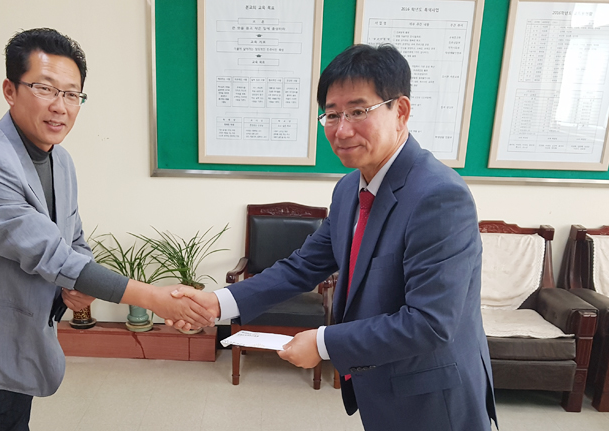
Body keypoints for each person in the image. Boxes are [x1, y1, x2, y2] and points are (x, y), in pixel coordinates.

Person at [170, 44, 497, 431]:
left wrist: (323, 343)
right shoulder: (348, 190)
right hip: (382, 390)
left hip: (434, 401)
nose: (341, 130)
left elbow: (430, 323)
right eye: (332, 114)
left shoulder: (439, 196)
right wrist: (217, 303)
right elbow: (303, 266)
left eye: (358, 111)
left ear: (401, 111)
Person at [0, 28, 213, 431]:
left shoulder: (61, 160)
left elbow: (72, 241)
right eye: (44, 88)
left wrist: (79, 285)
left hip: (17, 347)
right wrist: (155, 298)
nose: (60, 106)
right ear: (10, 90)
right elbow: (49, 255)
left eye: (72, 94)